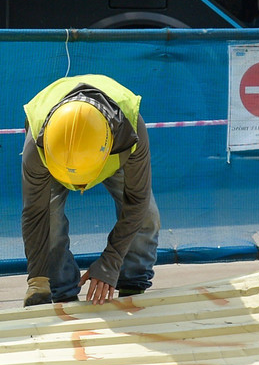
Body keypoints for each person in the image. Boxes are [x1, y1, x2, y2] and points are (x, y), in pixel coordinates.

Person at [21, 75, 160, 307]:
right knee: (49, 221)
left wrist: (111, 262)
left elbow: (137, 201)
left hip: (113, 153)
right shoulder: (37, 146)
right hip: (54, 157)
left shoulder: (131, 132)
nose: (80, 187)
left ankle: (132, 285)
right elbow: (35, 215)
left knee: (147, 217)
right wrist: (38, 279)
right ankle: (62, 292)